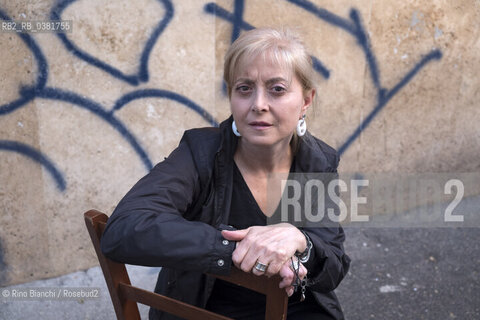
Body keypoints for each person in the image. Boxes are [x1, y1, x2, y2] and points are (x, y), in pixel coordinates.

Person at [101, 27, 350, 320]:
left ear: (306, 101)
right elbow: (124, 229)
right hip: (207, 310)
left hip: (297, 310)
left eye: (277, 89)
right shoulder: (200, 153)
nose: (258, 104)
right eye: (244, 88)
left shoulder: (317, 162)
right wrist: (235, 248)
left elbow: (332, 265)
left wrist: (301, 243)